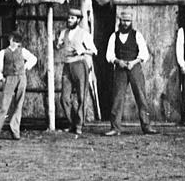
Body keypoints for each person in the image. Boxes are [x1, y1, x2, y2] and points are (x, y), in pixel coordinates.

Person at [104, 11, 158, 136]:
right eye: (123, 20)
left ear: (131, 22)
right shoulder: (114, 36)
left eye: (128, 21)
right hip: (120, 69)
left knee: (141, 96)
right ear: (120, 21)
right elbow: (109, 55)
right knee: (117, 97)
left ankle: (146, 126)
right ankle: (115, 128)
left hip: (134, 67)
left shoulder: (137, 35)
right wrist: (118, 61)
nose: (125, 23)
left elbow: (144, 53)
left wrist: (133, 62)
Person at [0, 31, 38, 142]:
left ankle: (15, 131)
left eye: (18, 42)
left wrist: (25, 67)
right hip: (9, 79)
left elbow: (33, 59)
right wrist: (2, 78)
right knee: (4, 106)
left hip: (21, 78)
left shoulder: (23, 51)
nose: (16, 43)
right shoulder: (2, 53)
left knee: (18, 105)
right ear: (10, 40)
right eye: (14, 41)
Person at [55, 8, 97, 137]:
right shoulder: (64, 32)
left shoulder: (84, 34)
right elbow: (58, 46)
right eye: (69, 17)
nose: (69, 20)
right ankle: (72, 123)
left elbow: (94, 51)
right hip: (67, 66)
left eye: (72, 18)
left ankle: (79, 125)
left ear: (78, 20)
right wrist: (57, 43)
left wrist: (82, 51)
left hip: (79, 65)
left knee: (81, 97)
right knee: (64, 98)